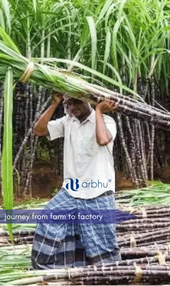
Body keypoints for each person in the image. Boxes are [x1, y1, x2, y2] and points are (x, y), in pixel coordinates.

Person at [31, 93, 121, 269]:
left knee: (101, 241)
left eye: (76, 102)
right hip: (71, 191)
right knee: (49, 219)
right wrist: (54, 104)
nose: (72, 108)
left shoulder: (106, 121)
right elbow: (38, 131)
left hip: (98, 192)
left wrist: (100, 111)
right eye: (68, 104)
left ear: (89, 100)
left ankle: (110, 275)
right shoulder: (68, 121)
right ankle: (52, 270)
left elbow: (103, 140)